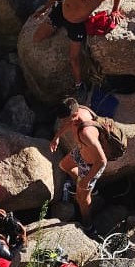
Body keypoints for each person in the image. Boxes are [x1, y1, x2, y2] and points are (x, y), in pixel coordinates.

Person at [31, 0, 124, 89]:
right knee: (37, 38)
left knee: (74, 59)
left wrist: (115, 10)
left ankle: (78, 84)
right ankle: (56, 25)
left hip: (77, 25)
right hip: (60, 13)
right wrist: (45, 8)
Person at [50, 97, 108, 233]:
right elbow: (67, 124)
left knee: (82, 199)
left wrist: (86, 180)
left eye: (65, 119)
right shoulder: (77, 109)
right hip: (80, 152)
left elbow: (102, 161)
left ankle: (88, 225)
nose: (62, 123)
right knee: (64, 165)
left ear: (74, 115)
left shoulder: (86, 133)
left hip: (90, 165)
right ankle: (86, 189)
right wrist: (56, 137)